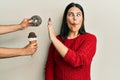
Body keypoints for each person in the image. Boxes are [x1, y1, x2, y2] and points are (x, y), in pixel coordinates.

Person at [45, 2, 97, 80]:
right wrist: (55, 40)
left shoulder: (90, 39)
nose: (75, 18)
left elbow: (77, 60)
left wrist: (54, 39)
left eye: (78, 15)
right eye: (71, 14)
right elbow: (50, 67)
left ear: (82, 19)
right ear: (65, 19)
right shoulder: (57, 40)